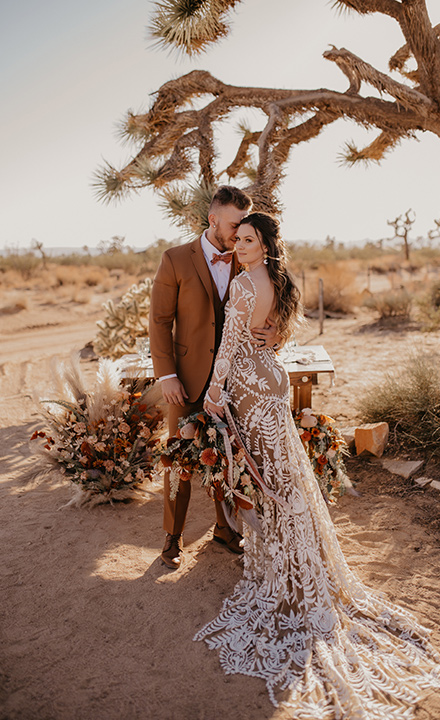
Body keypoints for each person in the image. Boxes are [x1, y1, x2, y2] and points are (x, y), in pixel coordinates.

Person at [199, 212, 440, 719]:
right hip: (272, 381)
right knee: (286, 478)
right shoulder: (279, 279)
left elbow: (228, 346)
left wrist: (212, 392)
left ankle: (290, 583)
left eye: (249, 240)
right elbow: (274, 334)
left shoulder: (247, 283)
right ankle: (295, 568)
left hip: (248, 386)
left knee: (272, 482)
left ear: (265, 243)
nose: (240, 246)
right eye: (237, 239)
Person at [149, 186, 279, 570]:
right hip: (186, 379)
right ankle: (173, 536)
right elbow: (159, 321)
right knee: (179, 457)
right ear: (214, 220)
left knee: (229, 455)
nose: (241, 233)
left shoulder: (248, 254)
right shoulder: (174, 259)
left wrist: (276, 334)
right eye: (236, 224)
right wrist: (167, 375)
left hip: (237, 378)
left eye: (246, 227)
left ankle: (225, 528)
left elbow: (274, 303)